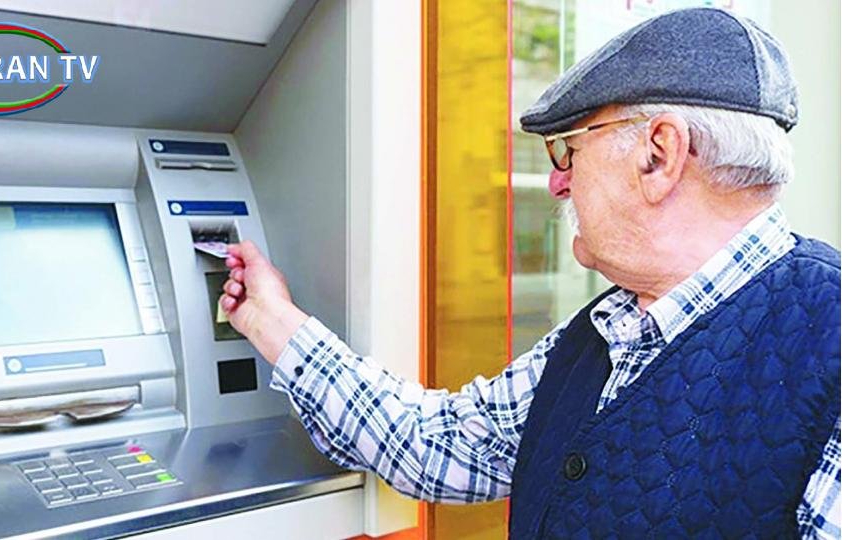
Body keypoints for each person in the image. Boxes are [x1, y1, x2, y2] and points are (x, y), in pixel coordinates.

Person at [219, 7, 840, 538]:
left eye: (570, 149)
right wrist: (272, 320)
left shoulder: (829, 344)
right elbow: (439, 444)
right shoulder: (609, 329)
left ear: (659, 155)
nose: (557, 183)